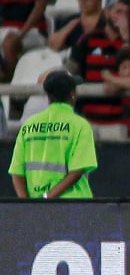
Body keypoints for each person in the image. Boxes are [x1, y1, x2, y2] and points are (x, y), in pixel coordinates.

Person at [9, 70, 97, 199]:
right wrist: (48, 198)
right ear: (73, 94)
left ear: (47, 95)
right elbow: (77, 171)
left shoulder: (29, 124)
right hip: (74, 205)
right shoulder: (80, 125)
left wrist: (27, 205)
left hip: (36, 208)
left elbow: (16, 171)